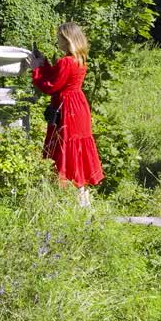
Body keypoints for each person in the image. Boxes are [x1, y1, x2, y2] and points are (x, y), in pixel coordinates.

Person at [26, 22, 104, 206]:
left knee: (64, 146)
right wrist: (44, 63)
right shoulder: (80, 58)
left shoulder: (66, 61)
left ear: (68, 39)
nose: (58, 41)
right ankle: (83, 199)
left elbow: (51, 86)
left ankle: (73, 202)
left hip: (67, 108)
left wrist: (36, 69)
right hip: (79, 105)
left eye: (60, 38)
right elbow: (56, 76)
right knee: (76, 148)